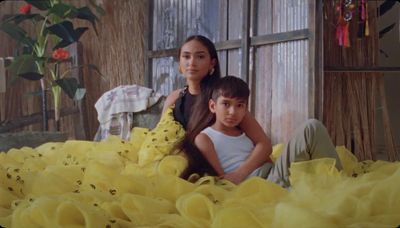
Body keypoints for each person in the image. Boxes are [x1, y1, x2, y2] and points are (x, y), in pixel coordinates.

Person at [192, 76, 342, 188]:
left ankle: (342, 183)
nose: (232, 112)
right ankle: (343, 185)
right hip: (257, 186)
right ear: (212, 106)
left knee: (313, 129)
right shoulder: (205, 138)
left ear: (245, 108)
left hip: (271, 173)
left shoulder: (242, 131)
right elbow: (224, 180)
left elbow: (265, 149)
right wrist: (242, 175)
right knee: (311, 127)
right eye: (226, 104)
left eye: (239, 105)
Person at [162, 35, 272, 181]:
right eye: (186, 57)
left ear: (212, 63)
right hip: (187, 164)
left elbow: (263, 143)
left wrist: (240, 173)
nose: (192, 62)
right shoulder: (174, 97)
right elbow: (160, 136)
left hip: (228, 169)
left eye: (200, 57)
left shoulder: (224, 97)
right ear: (179, 63)